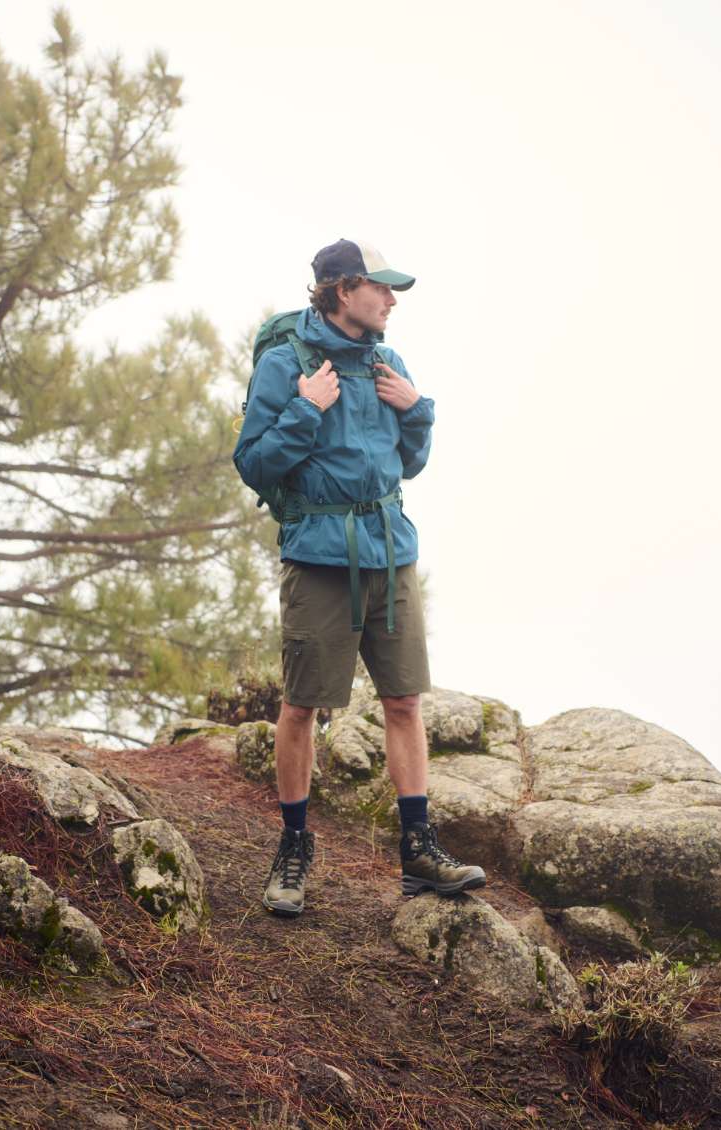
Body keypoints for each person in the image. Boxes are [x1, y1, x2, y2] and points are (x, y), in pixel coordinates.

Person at [231, 238, 484, 917]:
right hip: (319, 557)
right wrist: (305, 408)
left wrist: (416, 410)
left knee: (404, 702)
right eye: (381, 288)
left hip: (390, 553)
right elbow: (253, 464)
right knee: (302, 706)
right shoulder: (288, 367)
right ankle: (293, 849)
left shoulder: (389, 363)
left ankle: (419, 852)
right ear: (344, 290)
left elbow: (411, 464)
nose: (392, 299)